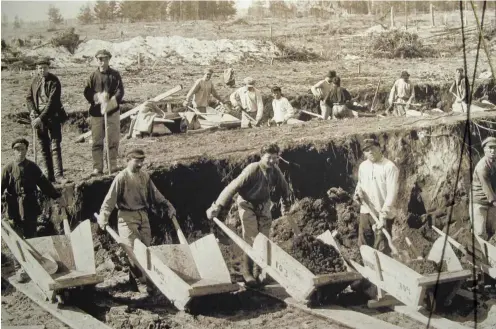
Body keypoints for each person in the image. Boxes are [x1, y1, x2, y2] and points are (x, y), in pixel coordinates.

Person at [206, 143, 292, 286]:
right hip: (247, 204)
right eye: (269, 158)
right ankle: (247, 272)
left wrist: (286, 207)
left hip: (264, 205)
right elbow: (231, 188)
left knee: (264, 239)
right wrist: (217, 207)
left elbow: (285, 189)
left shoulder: (275, 171)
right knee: (251, 238)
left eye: (275, 158)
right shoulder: (252, 169)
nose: (272, 161)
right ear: (262, 156)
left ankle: (259, 272)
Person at [1, 138, 64, 282]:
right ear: (13, 151)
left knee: (32, 238)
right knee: (17, 239)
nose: (20, 152)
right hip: (14, 210)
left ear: (26, 150)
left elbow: (45, 185)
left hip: (29, 207)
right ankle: (20, 269)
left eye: (22, 149)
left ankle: (33, 267)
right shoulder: (8, 169)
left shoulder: (33, 167)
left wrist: (57, 196)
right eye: (17, 149)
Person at [97, 149, 177, 248]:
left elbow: (156, 195)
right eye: (137, 161)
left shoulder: (144, 176)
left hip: (143, 217)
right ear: (128, 160)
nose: (140, 164)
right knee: (133, 251)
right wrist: (103, 217)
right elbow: (110, 200)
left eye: (142, 161)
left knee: (146, 251)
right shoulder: (122, 178)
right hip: (127, 219)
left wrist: (168, 206)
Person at [353, 138, 399, 255]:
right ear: (364, 153)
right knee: (363, 245)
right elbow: (360, 184)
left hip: (382, 213)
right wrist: (357, 193)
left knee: (381, 248)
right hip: (366, 211)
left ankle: (385, 269)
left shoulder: (389, 167)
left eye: (373, 148)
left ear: (379, 148)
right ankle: (368, 269)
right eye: (367, 150)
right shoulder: (363, 166)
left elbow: (392, 193)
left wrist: (384, 214)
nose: (370, 152)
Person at [84, 49, 125, 176]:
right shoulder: (92, 76)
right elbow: (87, 92)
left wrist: (111, 101)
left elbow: (120, 91)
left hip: (112, 112)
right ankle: (98, 168)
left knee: (112, 140)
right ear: (96, 60)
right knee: (97, 141)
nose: (102, 61)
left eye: (105, 59)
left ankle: (112, 165)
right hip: (96, 114)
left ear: (109, 60)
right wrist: (98, 97)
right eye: (100, 59)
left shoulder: (115, 75)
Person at [26, 58, 67, 184]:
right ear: (36, 69)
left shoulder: (54, 81)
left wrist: (40, 118)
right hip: (39, 117)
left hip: (52, 116)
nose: (42, 70)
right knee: (43, 146)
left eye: (44, 67)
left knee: (55, 145)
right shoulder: (35, 81)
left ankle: (59, 175)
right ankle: (49, 176)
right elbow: (29, 98)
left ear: (48, 68)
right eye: (39, 68)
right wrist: (32, 111)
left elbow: (52, 103)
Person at [470, 137, 496, 240]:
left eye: (495, 148)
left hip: (491, 203)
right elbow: (487, 190)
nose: (493, 150)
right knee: (480, 233)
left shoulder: (494, 163)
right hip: (479, 202)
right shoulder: (482, 167)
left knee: (493, 230)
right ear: (484, 149)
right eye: (490, 147)